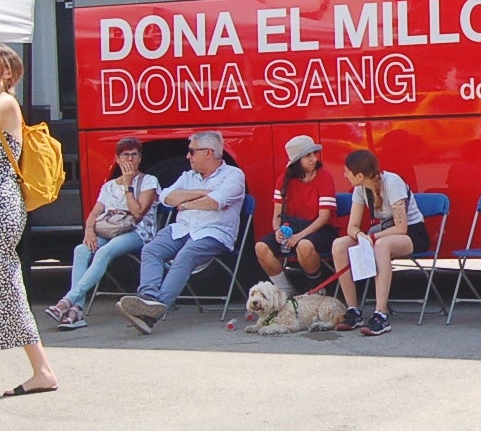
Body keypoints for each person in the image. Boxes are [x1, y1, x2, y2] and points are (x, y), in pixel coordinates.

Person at [0, 43, 60, 425]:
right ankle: (42, 371)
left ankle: (42, 372)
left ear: (7, 73)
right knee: (2, 290)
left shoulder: (5, 104)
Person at [118, 130, 246, 335]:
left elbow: (214, 202)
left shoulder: (233, 175)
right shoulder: (188, 175)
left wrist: (185, 204)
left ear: (209, 152)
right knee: (151, 250)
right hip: (182, 229)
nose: (188, 156)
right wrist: (199, 193)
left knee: (185, 256)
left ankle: (152, 313)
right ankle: (148, 300)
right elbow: (166, 196)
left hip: (213, 232)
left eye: (192, 152)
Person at [46, 136, 160, 330]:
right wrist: (89, 230)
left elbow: (138, 213)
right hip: (109, 230)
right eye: (126, 155)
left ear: (140, 158)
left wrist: (128, 186)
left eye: (134, 155)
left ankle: (66, 301)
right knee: (81, 250)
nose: (130, 159)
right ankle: (76, 311)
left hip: (137, 233)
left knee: (103, 252)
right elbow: (95, 212)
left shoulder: (149, 181)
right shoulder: (108, 186)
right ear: (117, 159)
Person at [332, 149, 428, 337]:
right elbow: (352, 226)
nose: (344, 175)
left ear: (359, 175)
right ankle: (353, 310)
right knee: (340, 244)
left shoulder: (392, 182)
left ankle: (381, 314)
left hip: (412, 234)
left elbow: (401, 228)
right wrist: (360, 235)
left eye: (347, 172)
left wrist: (372, 238)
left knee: (380, 246)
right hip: (381, 234)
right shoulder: (360, 189)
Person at [254, 135, 338, 294]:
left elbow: (324, 217)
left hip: (321, 229)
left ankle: (316, 287)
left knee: (304, 246)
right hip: (291, 228)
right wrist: (277, 230)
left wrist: (299, 236)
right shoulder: (283, 180)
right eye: (308, 156)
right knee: (261, 247)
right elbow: (277, 214)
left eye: (314, 154)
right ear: (297, 160)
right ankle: (284, 289)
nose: (314, 159)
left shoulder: (324, 177)